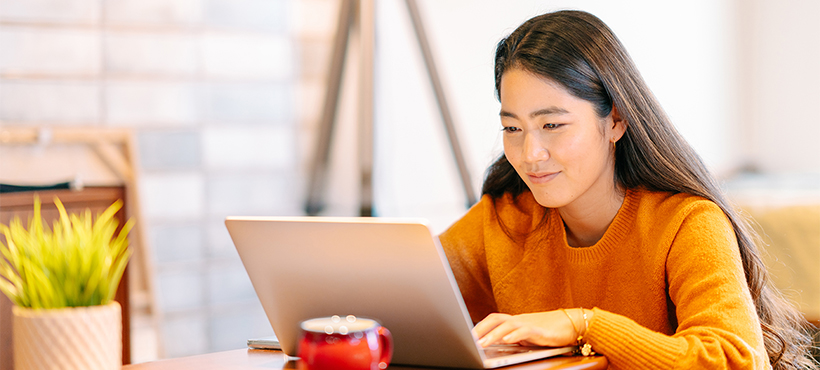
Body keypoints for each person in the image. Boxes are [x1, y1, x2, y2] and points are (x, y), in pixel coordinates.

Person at [438, 10, 816, 370]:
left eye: (552, 125)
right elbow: (405, 293)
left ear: (616, 119)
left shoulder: (686, 222)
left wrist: (584, 325)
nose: (530, 154)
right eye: (512, 129)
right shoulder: (504, 219)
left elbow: (735, 361)